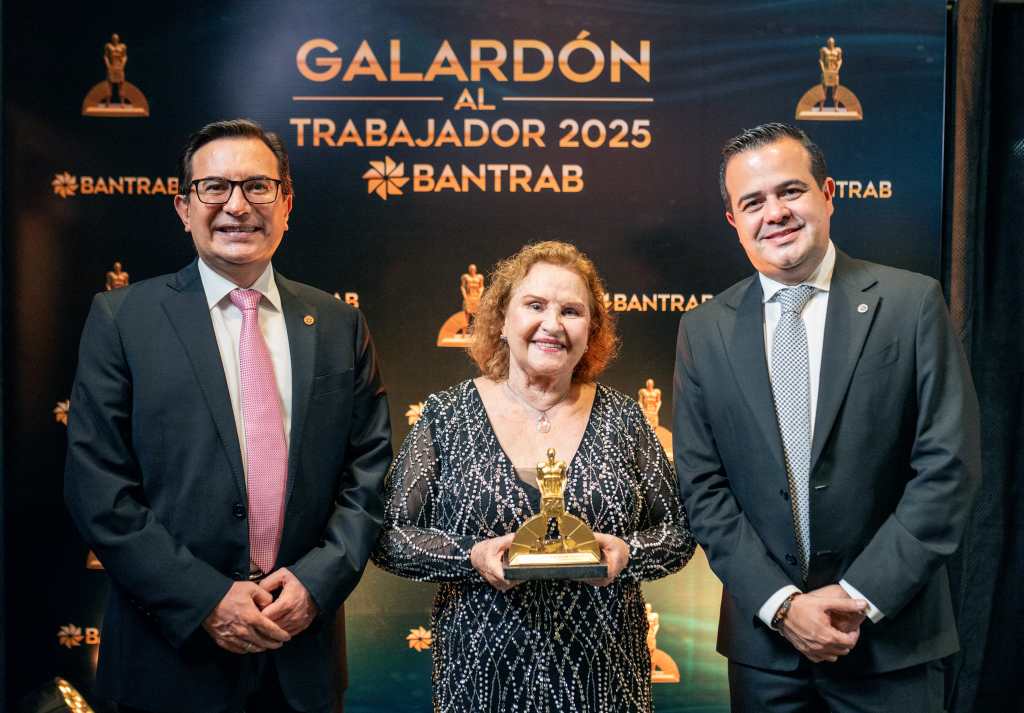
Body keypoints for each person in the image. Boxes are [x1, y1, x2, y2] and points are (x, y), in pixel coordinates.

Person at [64, 118, 392, 713]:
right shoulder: (122, 320)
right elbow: (99, 490)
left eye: (257, 186)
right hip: (167, 662)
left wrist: (316, 584)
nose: (237, 206)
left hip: (301, 659)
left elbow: (369, 473)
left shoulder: (339, 324)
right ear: (183, 208)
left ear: (286, 204)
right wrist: (206, 598)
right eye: (214, 187)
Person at [674, 122, 980, 711]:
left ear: (828, 194)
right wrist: (783, 606)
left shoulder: (912, 304)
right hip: (766, 654)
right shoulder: (703, 331)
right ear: (733, 220)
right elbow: (703, 488)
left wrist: (859, 597)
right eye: (753, 202)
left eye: (790, 191)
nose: (775, 213)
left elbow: (949, 467)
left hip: (891, 645)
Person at [373, 241, 694, 712]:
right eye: (535, 305)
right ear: (501, 319)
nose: (553, 324)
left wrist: (629, 554)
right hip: (480, 680)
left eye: (571, 311)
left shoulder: (625, 419)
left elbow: (679, 533)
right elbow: (390, 537)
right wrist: (472, 556)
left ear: (591, 331)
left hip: (605, 682)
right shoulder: (446, 416)